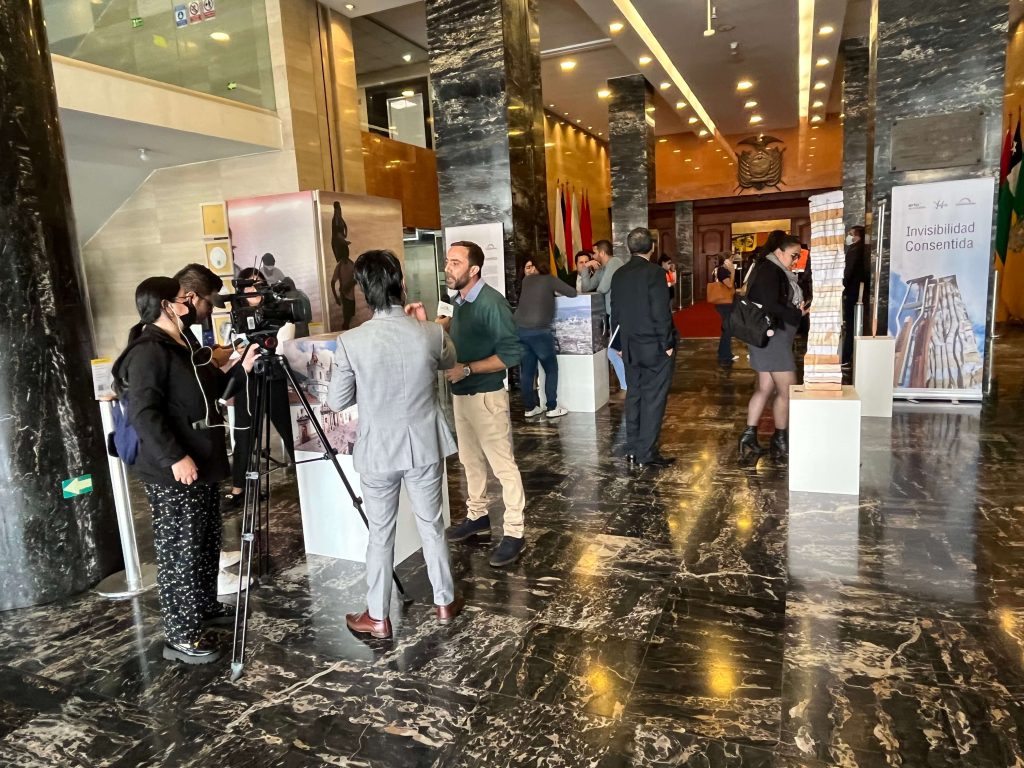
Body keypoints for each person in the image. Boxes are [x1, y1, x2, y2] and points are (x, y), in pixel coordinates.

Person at [111, 277, 258, 664]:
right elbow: (143, 414)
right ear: (167, 305)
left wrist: (242, 368)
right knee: (181, 550)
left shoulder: (186, 344)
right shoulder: (148, 352)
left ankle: (205, 607)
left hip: (203, 459)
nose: (190, 303)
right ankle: (180, 635)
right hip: (175, 467)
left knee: (206, 539)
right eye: (184, 298)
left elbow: (215, 392)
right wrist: (175, 457)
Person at [326, 250, 461, 640]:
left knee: (380, 534)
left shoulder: (350, 341)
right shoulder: (431, 332)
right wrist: (423, 324)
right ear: (401, 285)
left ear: (365, 292)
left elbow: (337, 402)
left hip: (378, 450)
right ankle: (444, 602)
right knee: (432, 526)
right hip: (423, 446)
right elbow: (447, 358)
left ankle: (378, 617)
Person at [440, 241, 527, 567]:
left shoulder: (492, 303)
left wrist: (467, 369)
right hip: (461, 396)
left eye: (456, 263)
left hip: (487, 397)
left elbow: (511, 354)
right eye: (448, 261)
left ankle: (516, 532)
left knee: (503, 466)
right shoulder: (457, 300)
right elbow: (450, 332)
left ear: (474, 269)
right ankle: (477, 516)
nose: (448, 268)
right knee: (470, 461)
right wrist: (434, 325)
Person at [225, 268, 296, 508]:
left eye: (258, 284)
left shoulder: (277, 312)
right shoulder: (238, 313)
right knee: (244, 434)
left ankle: (305, 477)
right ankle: (239, 489)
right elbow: (233, 346)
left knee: (288, 430)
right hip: (249, 380)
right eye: (248, 285)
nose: (253, 290)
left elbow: (285, 343)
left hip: (275, 377)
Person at [610, 228, 678, 468]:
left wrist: (617, 344)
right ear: (652, 248)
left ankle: (633, 448)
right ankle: (646, 453)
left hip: (628, 346)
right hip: (653, 347)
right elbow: (661, 311)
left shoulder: (619, 274)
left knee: (635, 396)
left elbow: (615, 311)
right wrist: (667, 343)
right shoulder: (655, 273)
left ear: (630, 248)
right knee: (653, 400)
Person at [738, 235, 809, 463]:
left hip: (770, 337)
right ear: (779, 252)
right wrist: (797, 313)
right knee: (787, 390)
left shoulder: (768, 267)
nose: (796, 260)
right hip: (773, 338)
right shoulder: (771, 270)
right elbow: (771, 305)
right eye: (794, 255)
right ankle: (779, 441)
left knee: (765, 388)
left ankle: (749, 437)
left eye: (799, 256)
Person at [515, 259, 576, 418]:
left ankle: (530, 408)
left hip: (521, 331)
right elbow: (572, 292)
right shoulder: (549, 279)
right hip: (540, 332)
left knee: (527, 372)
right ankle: (552, 408)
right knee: (551, 369)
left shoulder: (526, 281)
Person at [173, 263, 232, 368]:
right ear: (191, 297)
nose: (211, 311)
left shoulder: (183, 330)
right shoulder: (167, 338)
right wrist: (214, 362)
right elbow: (189, 380)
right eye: (209, 304)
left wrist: (207, 355)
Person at [590, 239, 628, 398]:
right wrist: (590, 270)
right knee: (616, 351)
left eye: (594, 252)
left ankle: (627, 386)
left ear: (602, 252)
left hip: (620, 315)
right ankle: (627, 385)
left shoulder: (614, 263)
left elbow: (602, 288)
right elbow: (587, 287)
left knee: (613, 352)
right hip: (614, 315)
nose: (593, 255)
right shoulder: (605, 267)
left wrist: (600, 273)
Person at [842, 225, 867, 365]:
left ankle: (846, 356)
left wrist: (842, 287)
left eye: (851, 234)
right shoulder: (864, 249)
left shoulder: (854, 250)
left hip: (852, 292)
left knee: (851, 324)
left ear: (857, 236)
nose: (848, 236)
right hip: (858, 291)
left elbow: (848, 273)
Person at [712, 255, 738, 366]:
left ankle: (723, 351)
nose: (732, 261)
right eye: (731, 259)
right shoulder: (722, 271)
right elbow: (729, 285)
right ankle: (725, 354)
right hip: (724, 302)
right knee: (728, 328)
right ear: (726, 260)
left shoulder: (720, 269)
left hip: (723, 302)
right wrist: (733, 271)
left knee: (727, 327)